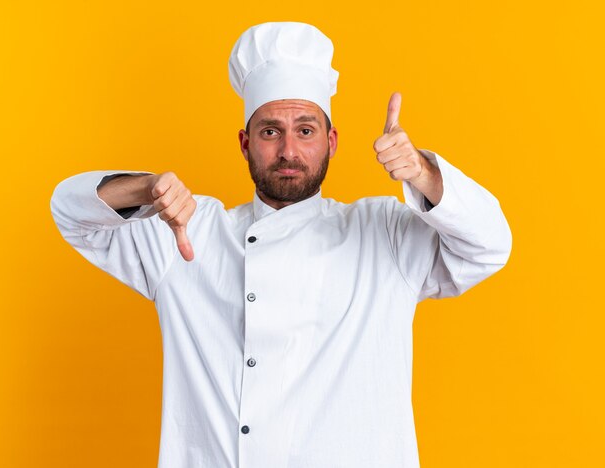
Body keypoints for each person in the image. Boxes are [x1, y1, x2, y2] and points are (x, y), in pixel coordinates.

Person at [50, 21, 511, 468]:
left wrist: (425, 175)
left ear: (331, 142)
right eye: (270, 131)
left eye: (306, 130)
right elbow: (70, 214)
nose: (289, 150)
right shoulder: (188, 228)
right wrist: (144, 189)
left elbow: (489, 246)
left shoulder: (383, 231)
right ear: (245, 143)